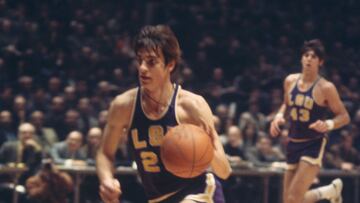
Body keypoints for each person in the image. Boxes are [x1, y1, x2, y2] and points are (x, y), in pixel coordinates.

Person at [96, 25, 231, 203]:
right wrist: (107, 180)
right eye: (140, 60)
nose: (142, 68)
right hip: (158, 198)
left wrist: (207, 148)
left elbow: (224, 171)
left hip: (199, 192)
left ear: (171, 64)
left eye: (151, 62)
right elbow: (105, 153)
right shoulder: (123, 106)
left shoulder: (192, 106)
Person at [270, 39, 350, 203]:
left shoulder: (326, 88)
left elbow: (344, 116)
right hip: (293, 142)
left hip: (313, 143)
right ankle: (329, 191)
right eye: (306, 55)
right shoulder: (290, 81)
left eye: (313, 56)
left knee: (293, 198)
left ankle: (328, 191)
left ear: (320, 62)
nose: (308, 59)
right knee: (289, 201)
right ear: (301, 59)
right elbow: (286, 104)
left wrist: (328, 124)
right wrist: (278, 116)